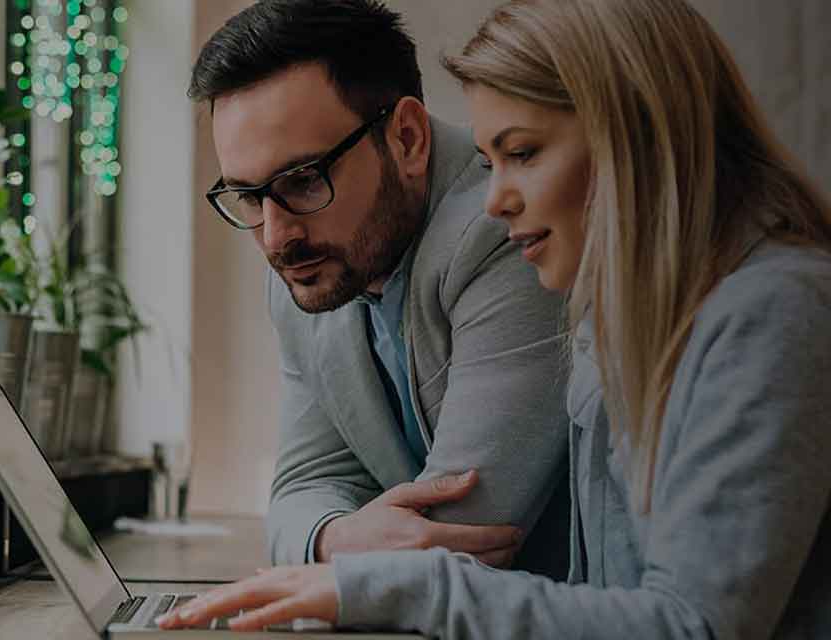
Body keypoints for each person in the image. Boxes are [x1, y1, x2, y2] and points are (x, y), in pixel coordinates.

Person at [161, 0, 831, 636]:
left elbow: (691, 627)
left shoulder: (776, 312)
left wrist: (382, 581)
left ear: (637, 139)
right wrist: (344, 547)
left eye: (524, 154)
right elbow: (616, 597)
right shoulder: (627, 318)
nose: (495, 200)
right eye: (493, 158)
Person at [189, 0, 572, 577]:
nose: (275, 237)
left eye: (302, 179)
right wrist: (334, 539)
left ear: (409, 139)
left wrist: (337, 546)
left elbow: (461, 534)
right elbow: (303, 488)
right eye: (248, 195)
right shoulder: (314, 266)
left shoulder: (513, 228)